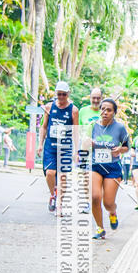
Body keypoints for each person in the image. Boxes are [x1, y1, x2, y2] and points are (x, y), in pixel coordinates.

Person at [88, 98, 130, 239]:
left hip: (112, 167)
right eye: (103, 109)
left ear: (114, 113)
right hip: (95, 165)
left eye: (109, 110)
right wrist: (89, 143)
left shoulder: (119, 128)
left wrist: (119, 149)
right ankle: (100, 228)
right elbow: (83, 142)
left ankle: (113, 213)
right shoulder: (93, 126)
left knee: (108, 202)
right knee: (95, 197)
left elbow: (126, 147)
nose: (105, 112)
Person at [37, 82, 79, 213]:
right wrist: (40, 144)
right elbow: (44, 126)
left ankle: (60, 204)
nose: (61, 97)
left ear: (68, 94)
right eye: (59, 94)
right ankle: (53, 195)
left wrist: (76, 151)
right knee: (50, 173)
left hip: (65, 147)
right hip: (50, 146)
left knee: (63, 177)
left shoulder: (73, 110)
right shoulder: (49, 107)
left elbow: (76, 131)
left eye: (64, 94)